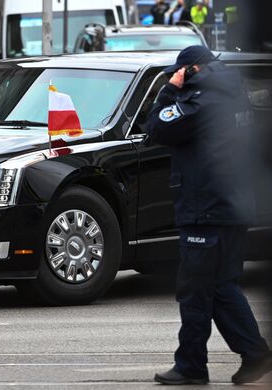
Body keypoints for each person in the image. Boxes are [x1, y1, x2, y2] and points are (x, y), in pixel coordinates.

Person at [146, 45, 272, 385]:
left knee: (195, 290)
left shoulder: (200, 101)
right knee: (220, 287)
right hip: (231, 206)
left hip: (206, 209)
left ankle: (192, 365)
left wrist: (170, 89)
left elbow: (157, 129)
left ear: (193, 70)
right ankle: (254, 354)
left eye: (181, 71)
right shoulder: (233, 92)